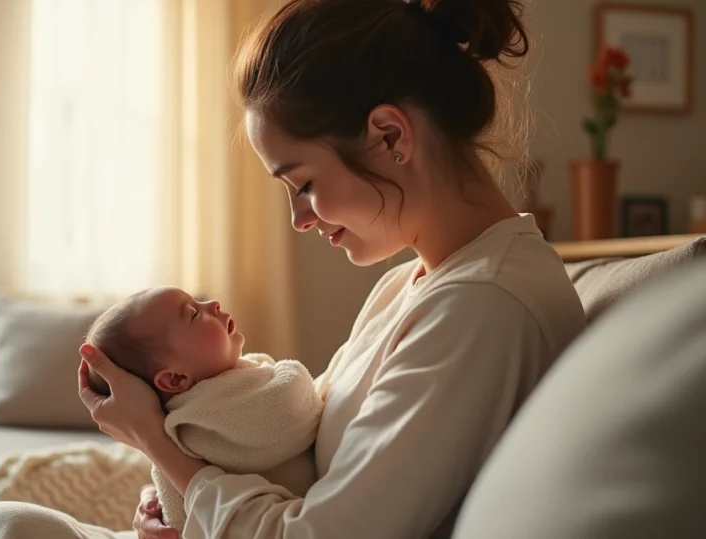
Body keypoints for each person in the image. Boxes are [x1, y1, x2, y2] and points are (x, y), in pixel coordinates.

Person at [76, 0, 588, 538]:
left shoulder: (483, 305)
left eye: (304, 185)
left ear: (390, 135)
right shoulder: (413, 283)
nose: (298, 219)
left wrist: (157, 443)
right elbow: (300, 441)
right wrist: (180, 503)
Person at [85, 286, 323, 534]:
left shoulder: (185, 419)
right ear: (175, 379)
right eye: (194, 314)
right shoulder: (212, 413)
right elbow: (295, 411)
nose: (214, 304)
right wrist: (287, 370)